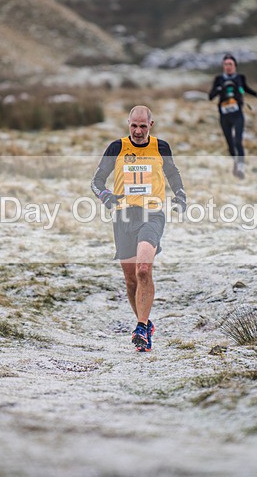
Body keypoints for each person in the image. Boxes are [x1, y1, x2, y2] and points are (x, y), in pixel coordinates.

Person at [90, 105, 186, 352]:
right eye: (134, 125)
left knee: (143, 269)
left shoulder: (160, 147)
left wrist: (180, 195)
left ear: (150, 125)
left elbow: (173, 174)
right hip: (123, 216)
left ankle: (141, 327)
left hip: (152, 215)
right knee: (131, 280)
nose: (138, 131)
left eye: (143, 126)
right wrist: (105, 195)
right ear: (128, 124)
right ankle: (144, 324)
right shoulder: (117, 148)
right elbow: (96, 181)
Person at [208, 54, 257, 179]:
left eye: (230, 64)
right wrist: (219, 89)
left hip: (237, 115)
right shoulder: (219, 79)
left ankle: (241, 167)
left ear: (235, 66)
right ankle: (235, 163)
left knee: (238, 141)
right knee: (230, 144)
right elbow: (210, 97)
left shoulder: (240, 78)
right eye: (226, 64)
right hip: (224, 116)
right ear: (223, 66)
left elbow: (247, 89)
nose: (228, 67)